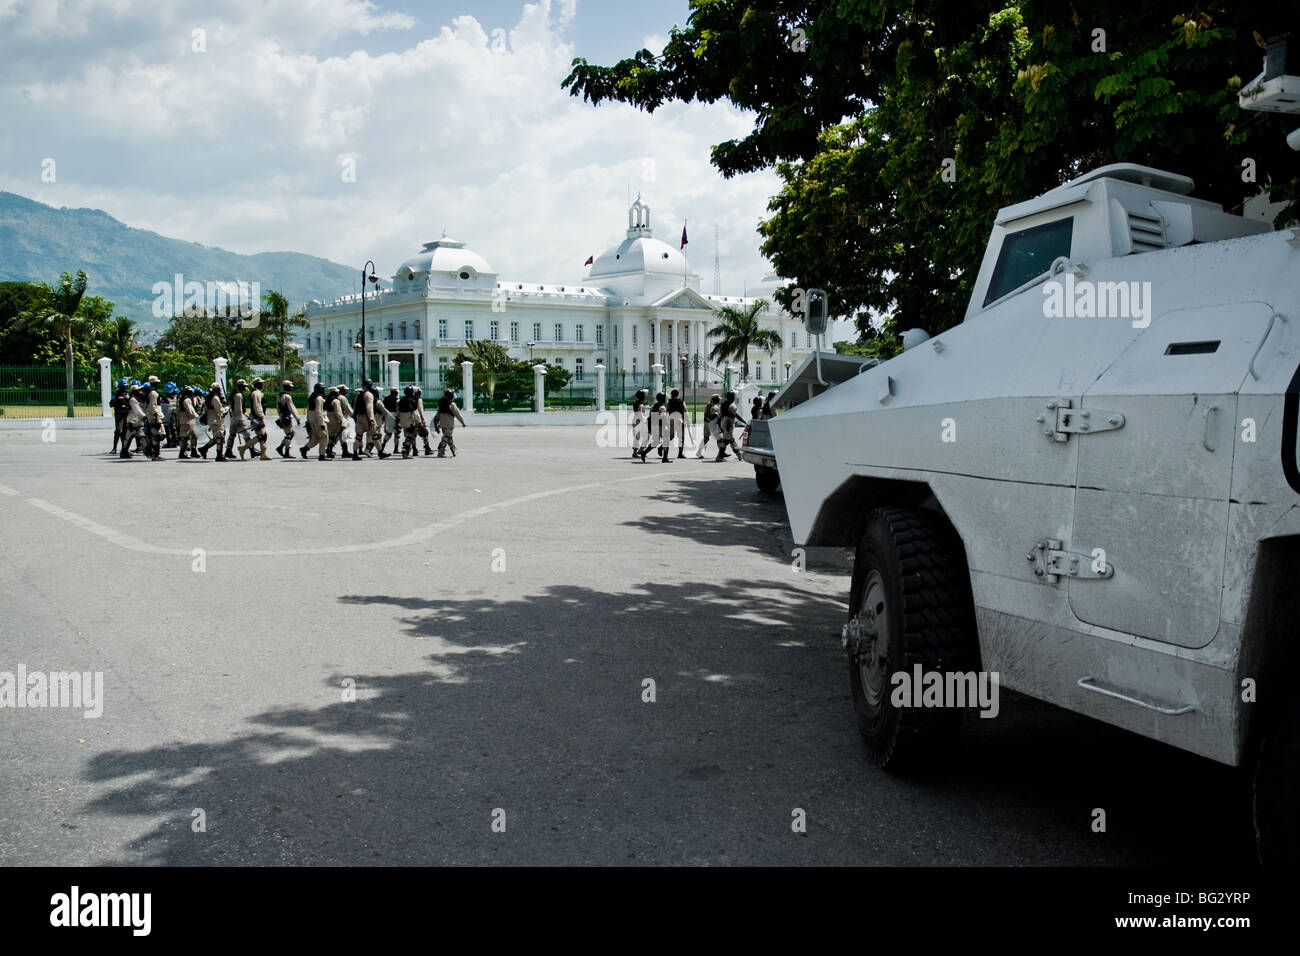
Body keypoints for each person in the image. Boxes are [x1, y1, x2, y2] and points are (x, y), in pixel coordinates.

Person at [352, 379, 383, 460]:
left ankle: (355, 454)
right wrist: (371, 419)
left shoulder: (359, 394)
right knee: (374, 435)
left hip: (359, 417)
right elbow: (369, 407)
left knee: (358, 436)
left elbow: (355, 407)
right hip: (366, 417)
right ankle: (380, 452)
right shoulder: (369, 394)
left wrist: (355, 416)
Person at [198, 382, 228, 461]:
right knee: (220, 436)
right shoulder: (215, 398)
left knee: (217, 437)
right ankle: (219, 455)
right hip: (216, 419)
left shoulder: (209, 396)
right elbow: (219, 410)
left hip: (212, 419)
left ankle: (204, 449)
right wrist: (226, 408)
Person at [225, 379, 254, 460]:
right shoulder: (238, 395)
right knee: (246, 435)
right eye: (244, 386)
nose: (245, 388)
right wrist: (242, 418)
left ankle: (228, 450)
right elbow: (239, 408)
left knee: (232, 435)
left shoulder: (234, 393)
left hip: (234, 417)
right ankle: (252, 450)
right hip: (238, 418)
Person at [245, 378, 272, 460]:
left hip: (257, 416)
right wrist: (260, 416)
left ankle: (263, 454)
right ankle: (243, 448)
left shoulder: (256, 393)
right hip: (257, 417)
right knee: (262, 435)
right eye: (261, 383)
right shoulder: (256, 393)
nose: (262, 385)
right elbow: (257, 406)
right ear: (257, 384)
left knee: (262, 436)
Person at [715, 390, 745, 462]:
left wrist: (720, 426)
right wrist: (744, 421)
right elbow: (736, 415)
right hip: (728, 424)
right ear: (732, 397)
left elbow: (719, 417)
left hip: (723, 424)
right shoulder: (732, 405)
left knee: (730, 440)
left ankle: (739, 455)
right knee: (727, 441)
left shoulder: (722, 405)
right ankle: (719, 457)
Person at [435, 388, 466, 457]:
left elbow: (438, 414)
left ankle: (453, 451)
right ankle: (441, 452)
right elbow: (458, 414)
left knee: (449, 437)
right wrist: (463, 422)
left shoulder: (441, 403)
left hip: (442, 424)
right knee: (446, 437)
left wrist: (437, 422)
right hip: (449, 424)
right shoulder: (452, 404)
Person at [301, 383, 329, 460]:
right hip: (318, 419)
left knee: (316, 437)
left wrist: (308, 421)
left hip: (311, 418)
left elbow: (308, 409)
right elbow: (319, 411)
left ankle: (305, 449)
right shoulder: (319, 398)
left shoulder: (312, 397)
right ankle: (322, 455)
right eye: (323, 389)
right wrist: (321, 423)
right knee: (324, 436)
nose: (324, 390)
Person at [275, 381, 301, 458]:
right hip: (287, 417)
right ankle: (286, 452)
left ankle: (280, 447)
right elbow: (292, 408)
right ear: (287, 387)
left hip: (282, 416)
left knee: (290, 433)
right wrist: (297, 418)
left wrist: (280, 416)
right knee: (289, 435)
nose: (291, 388)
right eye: (290, 387)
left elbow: (278, 407)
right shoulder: (287, 396)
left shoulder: (279, 395)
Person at [175, 385, 198, 459]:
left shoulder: (181, 399)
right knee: (185, 437)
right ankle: (182, 453)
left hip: (184, 419)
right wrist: (197, 417)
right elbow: (191, 411)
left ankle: (193, 451)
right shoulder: (186, 400)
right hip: (187, 420)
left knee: (193, 435)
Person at [695, 394, 721, 459]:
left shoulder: (708, 404)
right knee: (719, 438)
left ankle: (699, 452)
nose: (719, 401)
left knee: (706, 438)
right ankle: (721, 452)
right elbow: (715, 415)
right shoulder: (715, 406)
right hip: (712, 423)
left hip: (706, 423)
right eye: (718, 399)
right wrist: (709, 420)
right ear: (716, 400)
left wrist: (706, 420)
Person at [666, 388, 688, 460]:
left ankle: (662, 446)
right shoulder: (681, 401)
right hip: (679, 419)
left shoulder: (669, 402)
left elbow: (667, 409)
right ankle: (680, 453)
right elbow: (685, 410)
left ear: (672, 395)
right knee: (681, 437)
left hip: (671, 419)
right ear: (678, 394)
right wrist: (687, 420)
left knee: (671, 436)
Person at [109, 380, 130, 455]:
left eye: (125, 386)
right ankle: (114, 448)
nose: (125, 387)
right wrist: (117, 399)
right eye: (123, 386)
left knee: (125, 432)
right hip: (119, 414)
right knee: (118, 431)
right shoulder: (116, 394)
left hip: (126, 414)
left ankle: (124, 448)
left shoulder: (127, 394)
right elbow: (111, 404)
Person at [413, 387, 435, 456]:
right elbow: (420, 409)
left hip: (411, 419)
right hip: (418, 419)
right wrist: (423, 419)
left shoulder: (411, 399)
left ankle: (414, 450)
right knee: (425, 433)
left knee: (413, 434)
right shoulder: (419, 399)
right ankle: (427, 448)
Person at [397, 386, 417, 459]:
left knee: (408, 435)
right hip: (409, 419)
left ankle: (406, 452)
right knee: (411, 435)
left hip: (403, 420)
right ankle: (405, 449)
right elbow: (415, 409)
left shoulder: (401, 401)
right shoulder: (411, 401)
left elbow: (398, 411)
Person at [324, 387, 345, 459]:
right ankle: (330, 449)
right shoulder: (336, 401)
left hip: (327, 418)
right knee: (338, 434)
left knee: (330, 435)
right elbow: (338, 412)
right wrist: (342, 420)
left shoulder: (327, 399)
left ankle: (328, 450)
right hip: (334, 419)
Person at [630, 388, 649, 460]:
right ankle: (636, 452)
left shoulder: (636, 403)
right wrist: (645, 420)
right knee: (640, 436)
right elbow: (641, 414)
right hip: (639, 421)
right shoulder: (641, 405)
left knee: (638, 437)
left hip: (636, 420)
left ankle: (638, 451)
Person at [380, 386, 400, 455]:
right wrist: (399, 418)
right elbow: (398, 409)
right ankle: (396, 448)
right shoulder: (396, 400)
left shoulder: (386, 399)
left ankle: (382, 446)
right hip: (394, 415)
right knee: (397, 433)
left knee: (388, 432)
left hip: (387, 415)